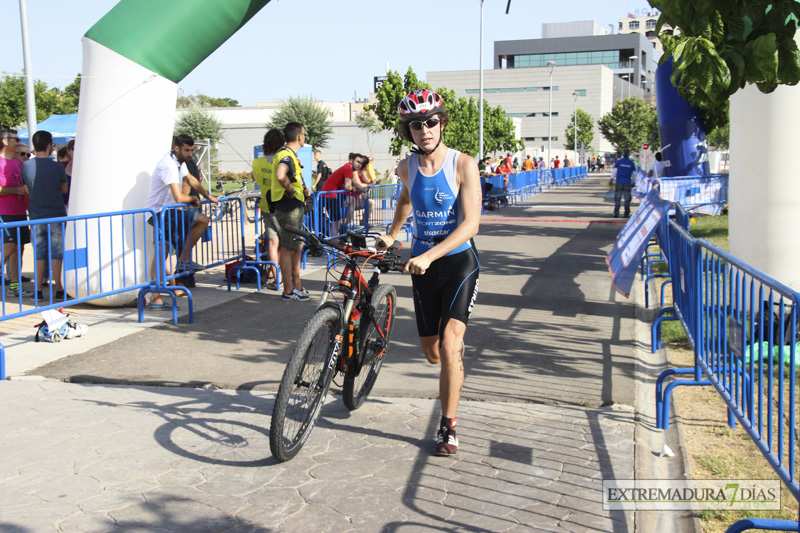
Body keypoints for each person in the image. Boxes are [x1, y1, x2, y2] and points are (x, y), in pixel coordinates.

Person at [377, 89, 481, 457]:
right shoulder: (406, 167)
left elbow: (471, 225)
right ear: (409, 131)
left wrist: (432, 255)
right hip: (420, 266)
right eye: (416, 125)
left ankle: (448, 426)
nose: (425, 130)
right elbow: (406, 199)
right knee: (434, 354)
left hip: (457, 263)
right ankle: (453, 355)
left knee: (450, 349)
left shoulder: (464, 164)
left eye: (431, 122)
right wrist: (392, 235)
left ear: (442, 123)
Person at [144, 134, 210, 310]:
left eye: (192, 150)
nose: (190, 154)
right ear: (176, 148)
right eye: (187, 150)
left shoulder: (178, 163)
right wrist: (192, 199)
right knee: (161, 254)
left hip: (169, 213)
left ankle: (181, 263)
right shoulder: (169, 165)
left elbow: (191, 179)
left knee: (164, 253)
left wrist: (208, 195)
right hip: (160, 214)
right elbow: (179, 196)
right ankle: (155, 297)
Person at [21, 131, 70, 301]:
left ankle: (38, 291)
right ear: (50, 145)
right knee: (57, 254)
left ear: (34, 146)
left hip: (36, 215)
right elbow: (64, 188)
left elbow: (26, 188)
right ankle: (59, 289)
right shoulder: (57, 167)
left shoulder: (26, 166)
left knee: (39, 254)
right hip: (56, 214)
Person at [271, 122, 311, 301]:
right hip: (289, 207)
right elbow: (281, 175)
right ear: (300, 137)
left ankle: (296, 285)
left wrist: (301, 189)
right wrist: (290, 191)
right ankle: (288, 290)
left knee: (296, 246)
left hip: (291, 206)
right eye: (304, 134)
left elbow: (289, 177)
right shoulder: (286, 155)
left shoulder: (288, 154)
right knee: (288, 248)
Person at [252, 128, 285, 290]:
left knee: (272, 242)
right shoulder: (283, 160)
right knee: (285, 242)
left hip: (266, 204)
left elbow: (254, 176)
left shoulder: (257, 162)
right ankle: (284, 276)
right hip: (284, 205)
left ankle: (275, 275)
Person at [0, 130, 31, 297]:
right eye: (16, 139)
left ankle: (14, 286)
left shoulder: (17, 163)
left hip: (19, 211)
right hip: (4, 212)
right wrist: (16, 190)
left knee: (19, 248)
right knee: (8, 247)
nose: (19, 142)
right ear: (5, 141)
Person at [613, 148, 637, 218]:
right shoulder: (631, 163)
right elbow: (634, 174)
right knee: (627, 199)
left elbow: (615, 172)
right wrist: (634, 182)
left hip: (619, 182)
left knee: (617, 198)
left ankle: (616, 213)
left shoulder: (618, 162)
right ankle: (626, 213)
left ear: (623, 154)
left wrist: (611, 179)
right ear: (629, 155)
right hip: (627, 182)